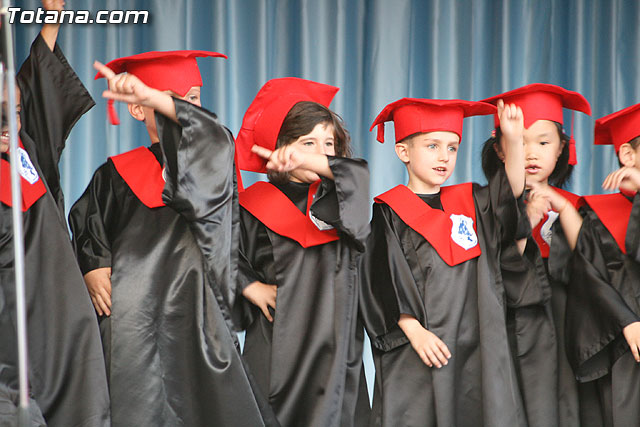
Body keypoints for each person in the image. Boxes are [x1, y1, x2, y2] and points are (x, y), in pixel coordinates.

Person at [69, 54, 278, 426]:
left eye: (193, 97)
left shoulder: (213, 157)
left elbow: (229, 236)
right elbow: (90, 222)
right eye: (171, 97)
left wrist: (247, 283)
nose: (185, 106)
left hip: (198, 308)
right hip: (132, 314)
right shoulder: (115, 173)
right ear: (137, 109)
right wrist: (94, 265)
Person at [359, 97, 529, 426]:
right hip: (421, 345)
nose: (444, 157)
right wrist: (414, 331)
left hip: (475, 341)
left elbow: (509, 196)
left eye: (452, 148)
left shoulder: (472, 200)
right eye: (432, 146)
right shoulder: (389, 212)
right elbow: (381, 278)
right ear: (403, 152)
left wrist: (512, 141)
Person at [234, 77, 371, 427]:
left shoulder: (337, 198)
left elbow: (354, 181)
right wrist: (250, 286)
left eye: (329, 143)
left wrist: (316, 160)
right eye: (307, 143)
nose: (320, 152)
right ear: (281, 147)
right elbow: (222, 255)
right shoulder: (250, 205)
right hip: (275, 341)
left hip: (335, 344)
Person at [0, 1, 110, 425]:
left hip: (63, 320)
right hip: (18, 329)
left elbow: (35, 92)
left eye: (15, 113)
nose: (10, 124)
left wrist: (51, 19)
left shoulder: (25, 149)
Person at [480, 83, 592, 427]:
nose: (531, 153)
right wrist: (526, 221)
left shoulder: (577, 207)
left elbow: (594, 266)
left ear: (561, 149)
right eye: (520, 142)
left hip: (567, 323)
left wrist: (562, 208)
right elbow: (496, 268)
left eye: (543, 142)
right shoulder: (484, 205)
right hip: (511, 321)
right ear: (501, 150)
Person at [565, 102, 640, 427]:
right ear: (627, 155)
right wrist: (627, 321)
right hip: (626, 344)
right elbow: (589, 278)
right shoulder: (597, 215)